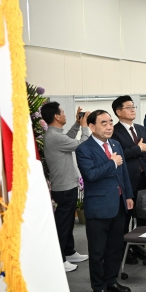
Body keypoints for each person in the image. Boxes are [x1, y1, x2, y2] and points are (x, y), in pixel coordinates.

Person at [75, 110, 133, 292]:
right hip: (98, 207)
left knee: (115, 247)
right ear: (92, 127)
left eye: (110, 122)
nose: (109, 127)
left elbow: (123, 172)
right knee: (98, 250)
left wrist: (128, 195)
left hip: (118, 204)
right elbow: (91, 175)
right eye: (104, 123)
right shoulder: (84, 149)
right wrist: (111, 163)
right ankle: (98, 287)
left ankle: (111, 281)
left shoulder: (115, 144)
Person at [42, 102, 90, 272]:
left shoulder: (55, 135)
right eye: (62, 112)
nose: (65, 115)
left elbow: (69, 139)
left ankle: (69, 252)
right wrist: (85, 127)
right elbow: (82, 145)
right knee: (63, 224)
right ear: (56, 116)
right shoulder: (54, 137)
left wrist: (77, 124)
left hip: (66, 184)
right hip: (64, 187)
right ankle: (60, 259)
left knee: (68, 222)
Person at [111, 96, 146, 237]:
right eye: (128, 107)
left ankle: (139, 244)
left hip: (144, 177)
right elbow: (117, 155)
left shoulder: (141, 129)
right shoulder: (114, 131)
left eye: (133, 107)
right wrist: (137, 149)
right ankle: (124, 245)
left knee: (142, 215)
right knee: (125, 216)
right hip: (127, 179)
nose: (133, 110)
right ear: (118, 112)